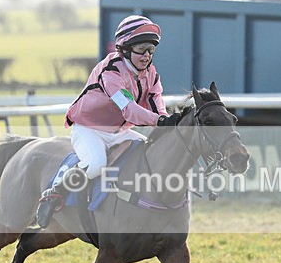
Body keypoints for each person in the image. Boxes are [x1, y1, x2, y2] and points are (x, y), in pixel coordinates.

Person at [36, 15, 180, 228]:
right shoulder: (110, 70)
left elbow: (156, 103)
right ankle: (54, 193)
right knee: (96, 164)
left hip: (119, 132)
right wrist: (159, 121)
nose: (147, 55)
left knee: (148, 154)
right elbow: (130, 110)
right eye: (141, 49)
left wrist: (166, 119)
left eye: (151, 50)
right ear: (125, 48)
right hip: (88, 129)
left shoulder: (151, 74)